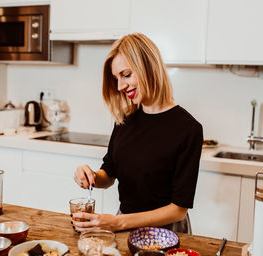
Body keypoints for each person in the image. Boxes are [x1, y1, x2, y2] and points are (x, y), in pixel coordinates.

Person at [72, 33, 203, 234]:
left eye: (126, 75)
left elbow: (178, 209)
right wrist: (91, 176)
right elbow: (109, 174)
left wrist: (118, 222)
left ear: (148, 66)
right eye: (116, 78)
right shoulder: (124, 121)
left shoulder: (188, 129)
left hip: (167, 233)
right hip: (123, 225)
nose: (120, 86)